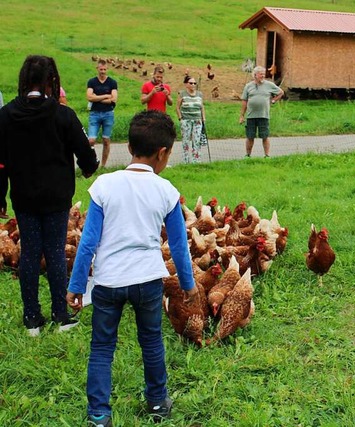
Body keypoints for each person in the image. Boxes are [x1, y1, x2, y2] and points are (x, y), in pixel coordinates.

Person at [66, 110, 199, 426]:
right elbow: (179, 245)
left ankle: (99, 414)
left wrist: (75, 285)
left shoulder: (104, 185)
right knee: (151, 341)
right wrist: (189, 284)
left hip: (109, 281)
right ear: (163, 153)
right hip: (147, 280)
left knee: (101, 347)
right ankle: (156, 404)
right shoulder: (166, 191)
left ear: (129, 147)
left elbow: (88, 243)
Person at [0, 55, 98, 336]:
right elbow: (87, 160)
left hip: (24, 196)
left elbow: (0, 162)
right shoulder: (63, 115)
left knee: (30, 252)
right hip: (56, 197)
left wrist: (1, 196)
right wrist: (89, 165)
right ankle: (60, 314)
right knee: (55, 252)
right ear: (51, 81)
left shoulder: (6, 115)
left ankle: (32, 318)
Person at [239, 66, 284, 158]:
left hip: (264, 115)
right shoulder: (248, 86)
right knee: (250, 136)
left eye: (264, 74)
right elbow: (244, 101)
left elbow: (281, 92)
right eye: (261, 74)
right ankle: (248, 155)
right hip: (251, 116)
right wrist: (242, 115)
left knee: (265, 136)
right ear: (255, 75)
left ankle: (267, 155)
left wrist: (273, 100)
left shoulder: (269, 85)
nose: (263, 76)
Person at [87, 59, 118, 167]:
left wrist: (96, 98)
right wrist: (105, 96)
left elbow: (113, 99)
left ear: (107, 69)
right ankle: (93, 161)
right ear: (97, 69)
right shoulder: (91, 82)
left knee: (106, 140)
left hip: (108, 113)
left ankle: (103, 165)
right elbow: (89, 97)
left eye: (104, 69)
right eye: (101, 69)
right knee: (91, 140)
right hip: (94, 113)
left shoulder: (112, 82)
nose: (103, 72)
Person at [176, 75, 206, 163]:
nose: (193, 85)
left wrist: (203, 118)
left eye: (194, 83)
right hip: (186, 120)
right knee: (186, 141)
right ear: (186, 84)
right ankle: (186, 160)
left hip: (197, 120)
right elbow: (177, 107)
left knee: (196, 140)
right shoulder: (182, 94)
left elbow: (202, 107)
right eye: (191, 83)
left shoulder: (200, 94)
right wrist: (180, 118)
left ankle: (196, 160)